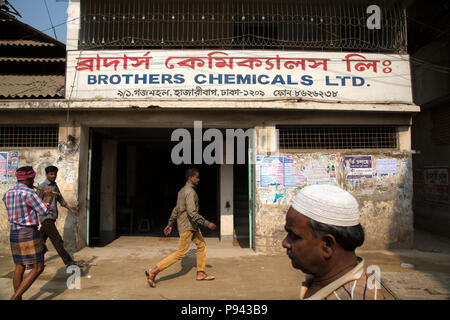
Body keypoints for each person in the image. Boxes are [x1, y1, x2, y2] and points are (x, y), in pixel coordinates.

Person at [282, 184, 395, 300]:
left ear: (327, 245)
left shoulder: (354, 296)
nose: (285, 243)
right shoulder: (320, 279)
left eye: (294, 236)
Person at [145, 168, 217, 287]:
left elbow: (176, 209)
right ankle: (154, 271)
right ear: (191, 178)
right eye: (197, 177)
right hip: (187, 227)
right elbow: (192, 213)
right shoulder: (190, 193)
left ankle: (201, 273)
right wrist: (207, 223)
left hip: (192, 226)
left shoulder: (182, 191)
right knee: (180, 253)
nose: (199, 179)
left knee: (201, 245)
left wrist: (170, 223)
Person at [2, 166, 52, 300]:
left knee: (19, 266)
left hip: (14, 232)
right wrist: (47, 198)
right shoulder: (29, 193)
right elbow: (43, 211)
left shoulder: (8, 193)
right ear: (29, 179)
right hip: (28, 232)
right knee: (38, 267)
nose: (34, 181)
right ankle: (14, 298)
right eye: (32, 179)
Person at [36, 165, 79, 267]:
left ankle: (32, 260)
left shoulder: (55, 186)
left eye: (55, 174)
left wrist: (71, 210)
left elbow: (61, 200)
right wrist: (47, 197)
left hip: (52, 216)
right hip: (46, 217)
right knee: (57, 240)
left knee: (40, 240)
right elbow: (37, 202)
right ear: (47, 175)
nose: (53, 176)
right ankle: (68, 261)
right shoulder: (42, 187)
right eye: (51, 174)